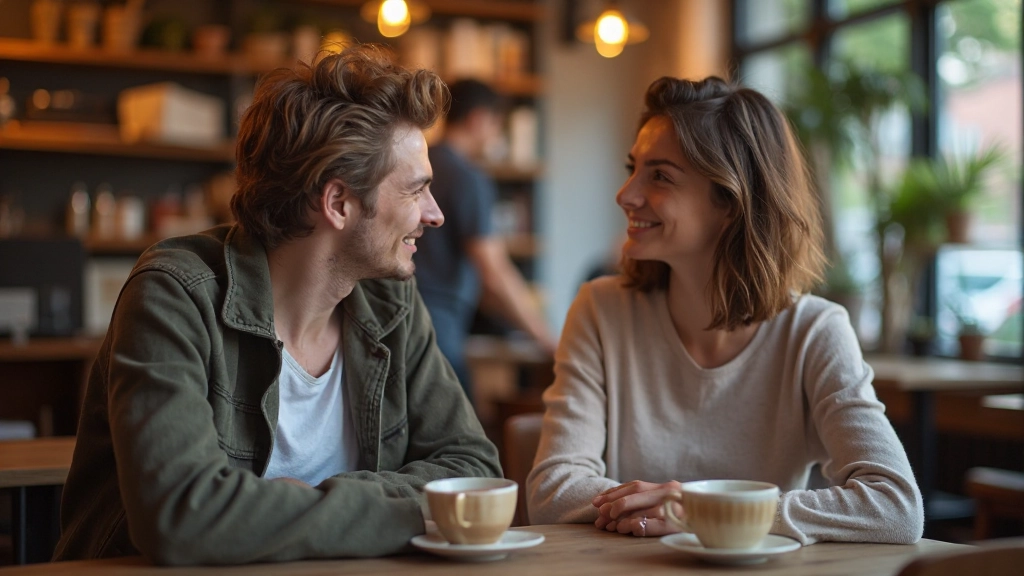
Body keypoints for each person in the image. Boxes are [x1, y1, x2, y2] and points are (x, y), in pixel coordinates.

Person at [53, 45, 501, 566]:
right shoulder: (175, 294)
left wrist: (292, 503)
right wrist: (414, 511)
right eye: (417, 190)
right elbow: (180, 515)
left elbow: (476, 473)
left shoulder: (391, 303)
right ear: (338, 203)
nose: (435, 214)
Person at [526, 76, 924, 545]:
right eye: (634, 168)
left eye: (659, 175)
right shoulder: (600, 310)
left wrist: (700, 510)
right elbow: (554, 492)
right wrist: (687, 511)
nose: (625, 194)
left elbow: (896, 507)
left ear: (731, 202)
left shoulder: (816, 330)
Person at [414, 79, 555, 402]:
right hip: (438, 330)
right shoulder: (468, 177)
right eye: (496, 126)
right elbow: (495, 272)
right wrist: (546, 339)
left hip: (398, 319)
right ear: (478, 119)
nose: (495, 137)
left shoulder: (420, 164)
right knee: (465, 440)